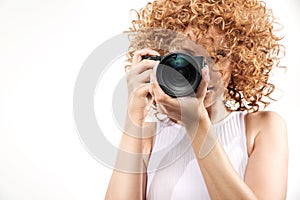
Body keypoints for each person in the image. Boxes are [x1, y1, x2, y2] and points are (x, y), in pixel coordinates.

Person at [105, 0, 288, 199]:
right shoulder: (149, 136)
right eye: (190, 58)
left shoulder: (262, 128)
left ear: (238, 60)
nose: (206, 71)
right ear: (165, 60)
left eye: (219, 55)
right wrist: (134, 116)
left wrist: (196, 123)